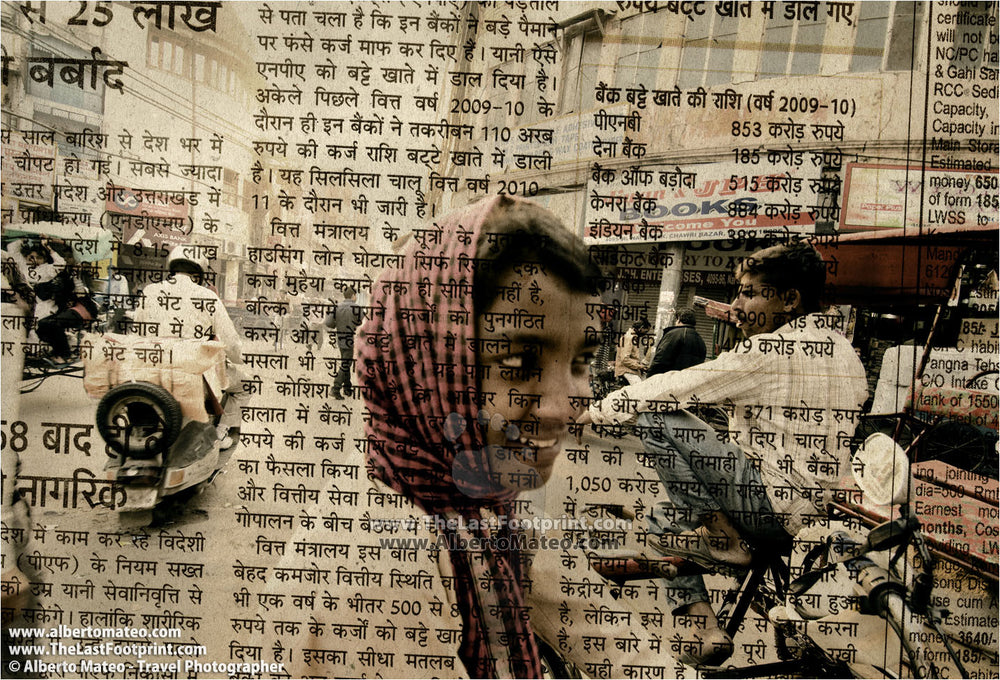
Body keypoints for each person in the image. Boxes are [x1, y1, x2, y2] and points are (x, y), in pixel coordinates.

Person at [264, 195, 680, 678]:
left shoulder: (482, 503)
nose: (569, 403)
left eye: (581, 360)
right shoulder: (372, 566)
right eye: (519, 365)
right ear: (421, 369)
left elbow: (596, 625)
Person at [581, 241, 868, 667]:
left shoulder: (770, 351)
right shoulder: (845, 352)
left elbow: (670, 388)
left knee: (655, 416)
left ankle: (723, 541)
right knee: (666, 515)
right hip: (816, 513)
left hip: (770, 507)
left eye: (750, 293)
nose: (736, 305)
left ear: (790, 299)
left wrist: (594, 412)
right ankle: (707, 630)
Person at [132, 245, 244, 445]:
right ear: (199, 273)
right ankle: (221, 432)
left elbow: (137, 332)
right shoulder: (208, 296)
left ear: (172, 269)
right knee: (246, 386)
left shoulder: (149, 291)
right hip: (193, 375)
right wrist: (238, 358)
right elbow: (231, 341)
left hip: (153, 371)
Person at [323, 286, 361, 399]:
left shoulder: (337, 307)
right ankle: (335, 388)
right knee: (346, 364)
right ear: (353, 296)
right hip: (352, 339)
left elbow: (328, 323)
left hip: (340, 339)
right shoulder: (357, 308)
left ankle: (347, 388)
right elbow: (363, 323)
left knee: (346, 361)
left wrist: (337, 325)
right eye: (356, 296)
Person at [646, 307, 706, 377]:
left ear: (679, 319)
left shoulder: (674, 334)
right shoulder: (700, 339)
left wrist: (650, 376)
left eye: (676, 319)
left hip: (670, 379)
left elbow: (661, 359)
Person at [614, 318, 651, 385]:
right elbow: (625, 359)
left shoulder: (633, 337)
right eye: (645, 331)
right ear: (641, 328)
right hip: (626, 370)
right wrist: (640, 366)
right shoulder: (629, 338)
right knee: (639, 388)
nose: (645, 334)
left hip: (631, 370)